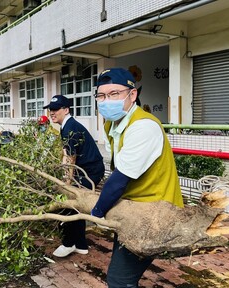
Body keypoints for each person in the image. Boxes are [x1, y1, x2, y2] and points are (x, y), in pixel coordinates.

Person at [90, 68, 184, 287]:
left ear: (132, 95)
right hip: (131, 208)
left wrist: (97, 211)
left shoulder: (143, 126)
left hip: (153, 213)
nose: (106, 101)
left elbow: (120, 179)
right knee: (121, 267)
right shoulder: (111, 123)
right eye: (101, 96)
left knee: (119, 279)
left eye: (114, 94)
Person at [43, 95, 105, 257]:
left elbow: (71, 158)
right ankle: (81, 244)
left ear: (66, 110)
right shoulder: (66, 125)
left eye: (55, 109)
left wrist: (66, 184)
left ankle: (68, 243)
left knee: (69, 204)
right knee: (76, 205)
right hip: (85, 168)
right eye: (51, 110)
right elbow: (66, 155)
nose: (52, 113)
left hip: (90, 170)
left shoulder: (70, 128)